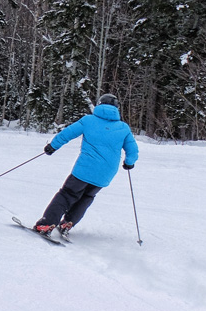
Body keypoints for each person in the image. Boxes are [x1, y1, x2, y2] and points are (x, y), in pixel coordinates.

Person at [34, 93, 139, 235]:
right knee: (87, 197)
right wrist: (129, 163)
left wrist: (53, 146)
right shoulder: (123, 127)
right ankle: (67, 224)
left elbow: (68, 133)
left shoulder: (89, 121)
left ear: (99, 105)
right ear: (116, 108)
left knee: (66, 195)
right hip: (105, 174)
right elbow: (132, 150)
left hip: (84, 170)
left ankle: (46, 224)